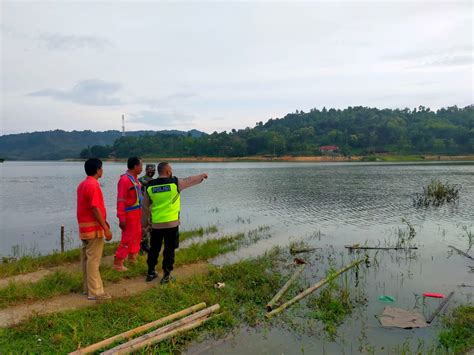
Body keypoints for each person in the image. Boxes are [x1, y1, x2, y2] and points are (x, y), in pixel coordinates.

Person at [142, 162, 208, 284]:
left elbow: (145, 207)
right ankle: (166, 276)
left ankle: (150, 272)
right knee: (169, 249)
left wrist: (145, 225)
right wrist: (202, 176)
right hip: (171, 225)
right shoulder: (175, 183)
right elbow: (190, 180)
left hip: (156, 224)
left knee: (154, 249)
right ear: (167, 171)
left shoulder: (150, 185)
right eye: (170, 169)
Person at [76, 158, 112, 300]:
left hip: (85, 228)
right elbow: (95, 208)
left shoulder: (82, 184)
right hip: (93, 229)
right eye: (101, 168)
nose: (102, 170)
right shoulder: (93, 185)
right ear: (98, 170)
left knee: (87, 259)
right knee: (93, 261)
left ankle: (88, 289)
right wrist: (106, 228)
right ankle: (96, 292)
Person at [114, 157, 143, 271]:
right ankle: (118, 262)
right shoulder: (124, 180)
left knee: (137, 235)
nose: (142, 168)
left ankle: (132, 257)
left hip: (137, 213)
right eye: (141, 166)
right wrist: (122, 218)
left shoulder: (135, 180)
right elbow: (120, 200)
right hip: (129, 214)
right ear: (135, 166)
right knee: (127, 238)